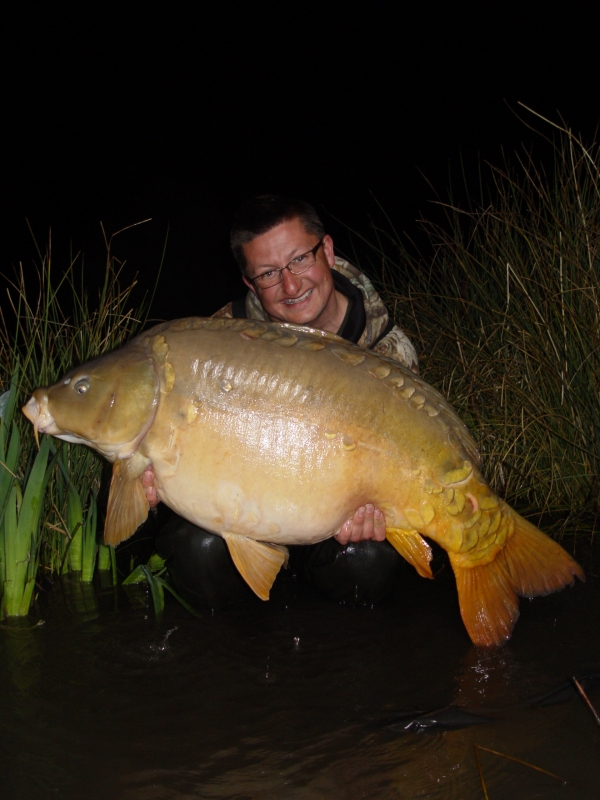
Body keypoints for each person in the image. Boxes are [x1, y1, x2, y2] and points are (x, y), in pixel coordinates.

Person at [147, 196, 419, 605]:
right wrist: (154, 487)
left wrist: (378, 511)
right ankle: (236, 649)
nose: (290, 286)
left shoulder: (387, 352)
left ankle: (336, 650)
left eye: (299, 261)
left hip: (333, 528)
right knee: (194, 549)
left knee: (368, 558)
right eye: (269, 273)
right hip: (248, 519)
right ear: (249, 283)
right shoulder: (219, 339)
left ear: (327, 250)